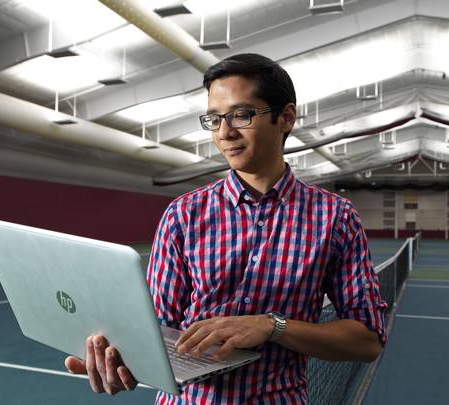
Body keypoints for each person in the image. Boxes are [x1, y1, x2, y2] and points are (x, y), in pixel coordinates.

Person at [65, 53, 387, 404]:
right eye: (214, 119)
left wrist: (271, 326)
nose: (225, 132)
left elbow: (367, 339)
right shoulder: (183, 215)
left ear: (286, 118)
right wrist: (120, 363)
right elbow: (157, 330)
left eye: (241, 115)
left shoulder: (335, 218)